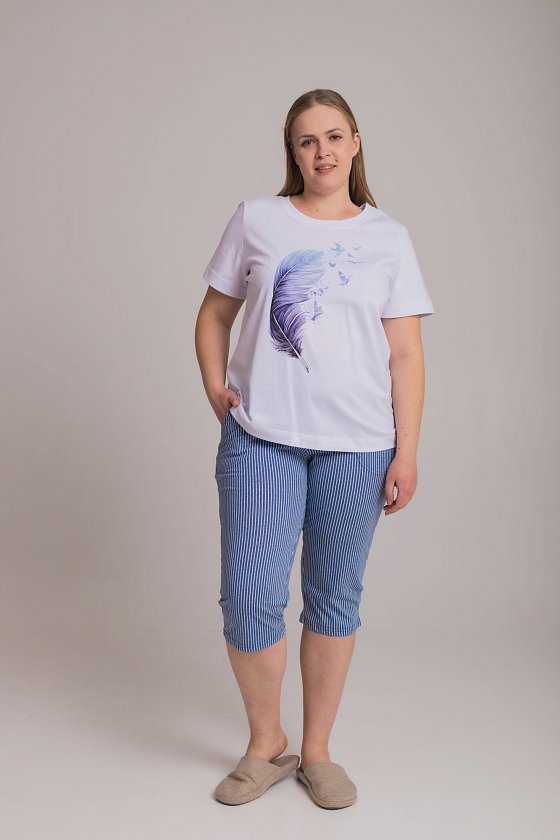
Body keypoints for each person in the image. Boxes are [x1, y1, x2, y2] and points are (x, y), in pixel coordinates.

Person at [194, 88, 435, 809]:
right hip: (261, 438)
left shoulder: (389, 237)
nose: (322, 151)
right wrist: (215, 385)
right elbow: (214, 315)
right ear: (292, 152)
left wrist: (406, 452)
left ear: (355, 144)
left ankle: (319, 751)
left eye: (334, 136)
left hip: (358, 446)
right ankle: (266, 744)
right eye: (307, 140)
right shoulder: (257, 219)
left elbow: (406, 355)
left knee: (334, 599)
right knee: (250, 597)